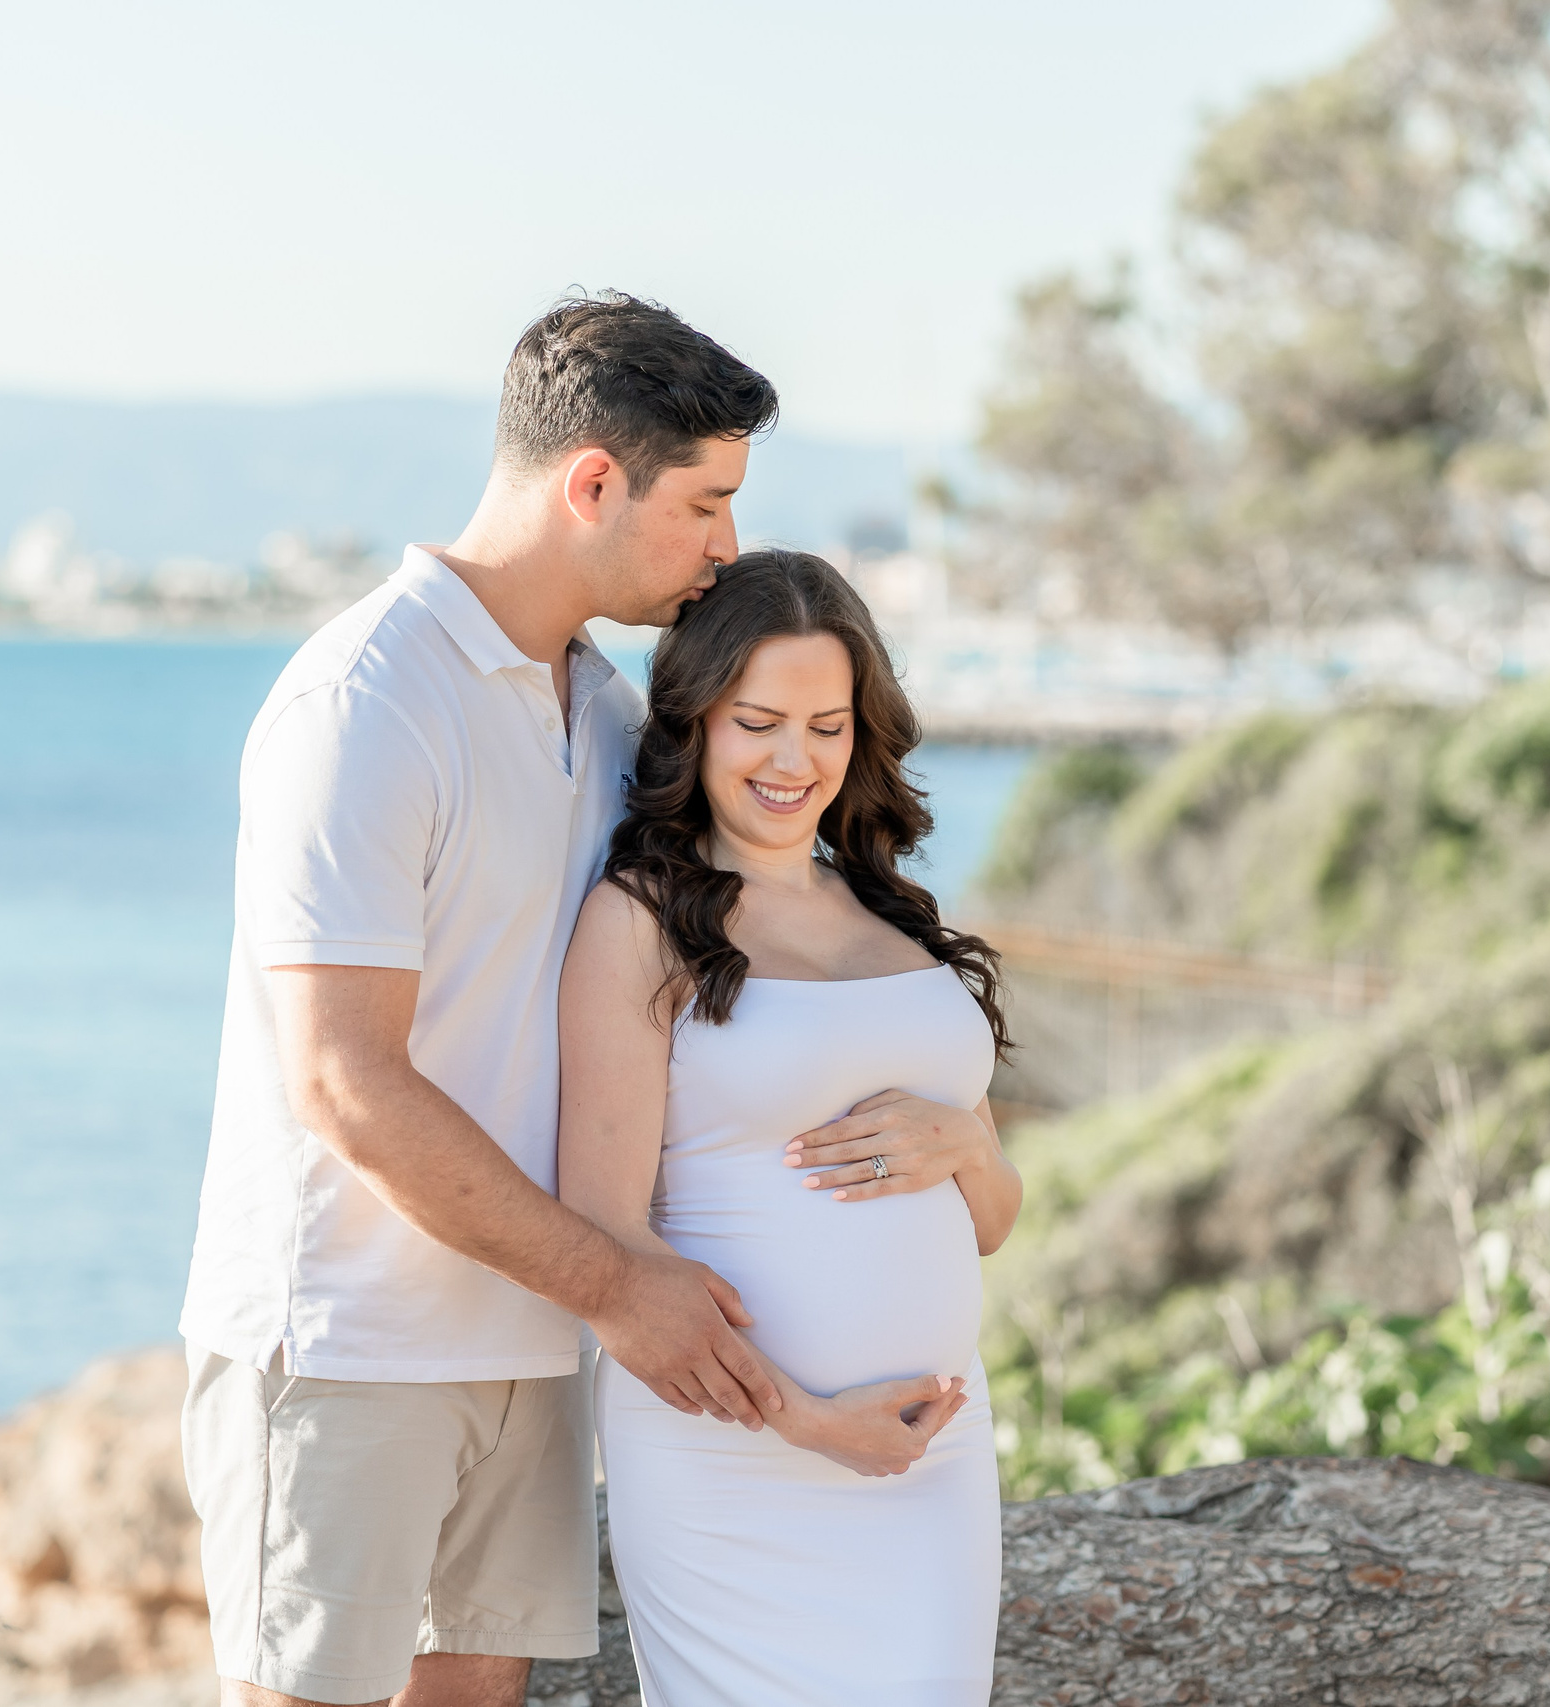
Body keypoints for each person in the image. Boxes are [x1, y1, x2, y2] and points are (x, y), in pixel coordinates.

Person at [176, 292, 792, 1707]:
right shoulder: (365, 702)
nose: (726, 548)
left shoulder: (613, 715)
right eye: (704, 504)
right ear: (593, 482)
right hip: (344, 1342)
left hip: (530, 1336)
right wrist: (618, 1285)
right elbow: (343, 1080)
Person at [559, 550, 1022, 1705]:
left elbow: (993, 1222)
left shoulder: (891, 916)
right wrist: (809, 1423)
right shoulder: (639, 924)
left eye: (827, 726)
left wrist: (969, 1148)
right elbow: (604, 1246)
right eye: (758, 721)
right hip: (734, 1461)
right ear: (696, 722)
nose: (793, 761)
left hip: (930, 1453)